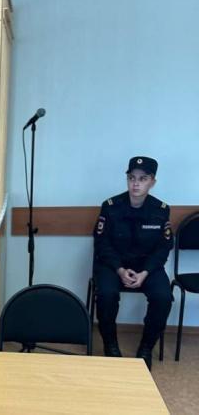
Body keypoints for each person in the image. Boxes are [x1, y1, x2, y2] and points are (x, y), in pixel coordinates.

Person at [93, 156, 173, 370]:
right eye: (131, 178)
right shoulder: (110, 207)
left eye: (143, 179)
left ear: (152, 182)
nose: (136, 184)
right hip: (114, 265)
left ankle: (146, 347)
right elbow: (102, 243)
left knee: (163, 297)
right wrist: (120, 270)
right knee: (106, 294)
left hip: (146, 268)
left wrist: (145, 272)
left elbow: (163, 247)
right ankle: (110, 345)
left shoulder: (160, 209)